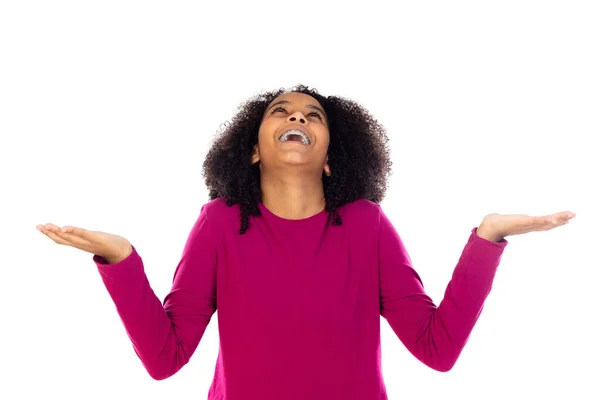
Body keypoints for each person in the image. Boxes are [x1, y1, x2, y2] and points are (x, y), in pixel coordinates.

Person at [37, 85, 575, 400]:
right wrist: (119, 258)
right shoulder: (219, 223)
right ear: (251, 151)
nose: (297, 115)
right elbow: (164, 357)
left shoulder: (366, 224)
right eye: (282, 111)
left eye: (313, 116)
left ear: (331, 156)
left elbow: (437, 350)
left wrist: (488, 238)